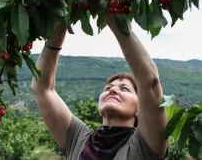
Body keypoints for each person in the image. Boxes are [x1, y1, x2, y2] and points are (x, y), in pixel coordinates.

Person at [30, 12, 169, 160]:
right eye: (108, 88)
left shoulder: (144, 146)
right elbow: (41, 88)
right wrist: (62, 19)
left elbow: (150, 80)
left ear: (139, 108)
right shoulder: (78, 139)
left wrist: (109, 13)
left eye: (124, 89)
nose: (113, 89)